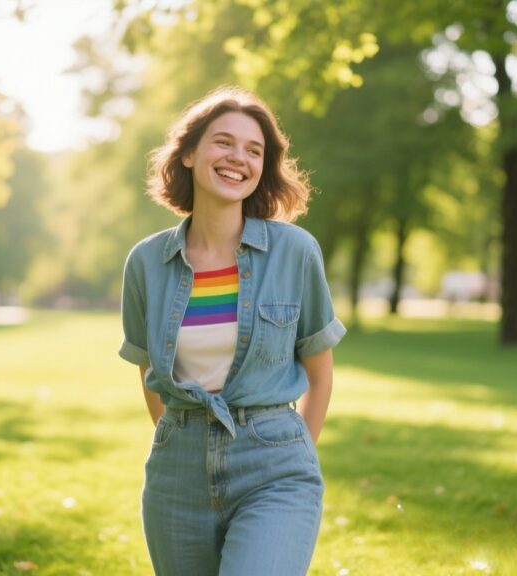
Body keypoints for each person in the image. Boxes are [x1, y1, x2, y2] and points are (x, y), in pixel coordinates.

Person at [118, 86, 346, 575]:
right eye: (224, 142)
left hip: (275, 469)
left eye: (254, 149)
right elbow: (148, 373)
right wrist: (182, 439)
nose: (238, 157)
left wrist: (295, 451)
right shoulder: (146, 263)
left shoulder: (295, 252)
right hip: (176, 477)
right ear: (187, 152)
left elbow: (320, 374)